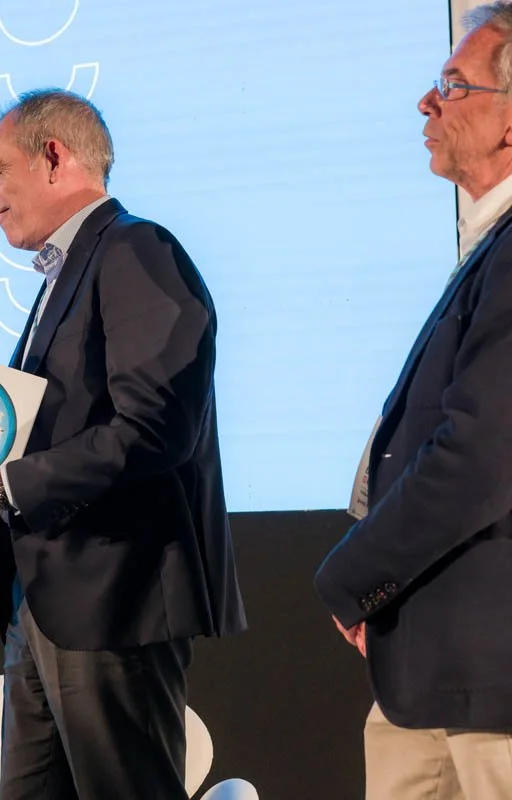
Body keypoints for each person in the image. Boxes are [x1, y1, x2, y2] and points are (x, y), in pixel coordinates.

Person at [0, 90, 247, 799]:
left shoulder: (136, 250)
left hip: (114, 601)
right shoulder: (74, 268)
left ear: (54, 156)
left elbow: (156, 427)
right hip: (48, 603)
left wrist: (2, 488)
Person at [314, 5, 512, 797]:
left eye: (454, 85)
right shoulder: (493, 246)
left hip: (488, 678)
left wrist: (355, 576)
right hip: (432, 667)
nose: (427, 103)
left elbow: (480, 455)